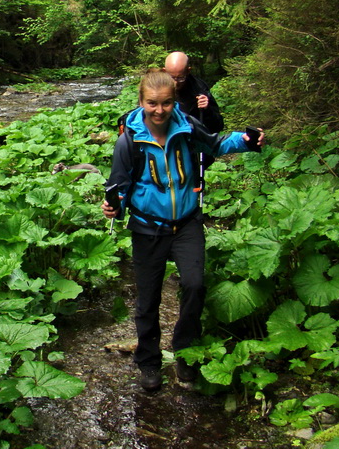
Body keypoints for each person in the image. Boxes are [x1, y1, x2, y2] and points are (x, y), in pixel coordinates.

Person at [102, 69, 264, 392]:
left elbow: (216, 145)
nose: (159, 110)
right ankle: (148, 362)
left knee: (195, 284)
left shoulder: (187, 126)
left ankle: (184, 351)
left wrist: (246, 141)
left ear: (174, 101)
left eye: (165, 103)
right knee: (148, 300)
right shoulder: (129, 140)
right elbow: (119, 185)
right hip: (147, 227)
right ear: (141, 101)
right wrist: (113, 207)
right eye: (152, 104)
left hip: (187, 221)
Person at [164, 51, 224, 134]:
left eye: (181, 78)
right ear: (164, 71)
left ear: (188, 71)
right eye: (171, 78)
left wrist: (207, 110)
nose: (176, 83)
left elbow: (218, 126)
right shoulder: (155, 87)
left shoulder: (199, 89)